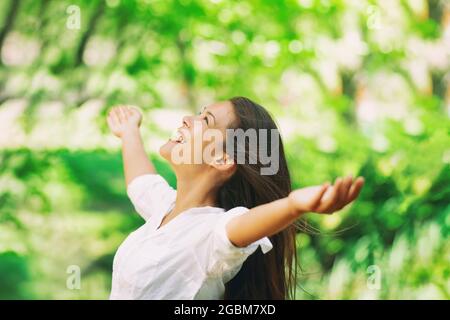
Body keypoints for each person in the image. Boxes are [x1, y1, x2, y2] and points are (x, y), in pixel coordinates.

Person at [106, 96, 364, 299]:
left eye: (205, 121)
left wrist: (294, 205)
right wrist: (129, 131)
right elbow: (141, 182)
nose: (187, 119)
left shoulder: (211, 231)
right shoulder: (165, 207)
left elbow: (241, 228)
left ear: (222, 158)